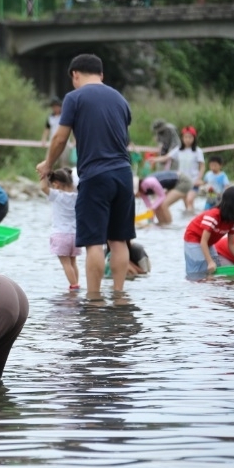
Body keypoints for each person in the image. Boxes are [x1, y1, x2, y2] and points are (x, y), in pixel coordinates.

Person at [36, 54, 135, 298]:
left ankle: (93, 299)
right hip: (124, 174)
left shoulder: (74, 98)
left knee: (94, 243)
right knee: (119, 240)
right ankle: (120, 296)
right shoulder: (120, 99)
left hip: (96, 176)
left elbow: (60, 137)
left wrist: (48, 164)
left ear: (75, 75)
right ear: (101, 75)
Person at [183, 185, 234, 277]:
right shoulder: (213, 216)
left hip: (208, 242)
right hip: (194, 238)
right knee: (200, 269)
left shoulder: (232, 221)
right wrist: (209, 262)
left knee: (216, 267)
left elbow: (231, 244)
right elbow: (203, 241)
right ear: (232, 204)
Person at [41, 169, 81, 290]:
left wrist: (43, 173)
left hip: (61, 235)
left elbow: (43, 187)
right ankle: (76, 285)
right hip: (75, 235)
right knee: (73, 262)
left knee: (65, 263)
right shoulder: (77, 196)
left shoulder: (56, 195)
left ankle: (74, 286)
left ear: (57, 183)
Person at [152, 126, 204, 213]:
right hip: (182, 181)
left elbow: (202, 166)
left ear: (194, 138)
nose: (187, 139)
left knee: (189, 200)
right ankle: (188, 219)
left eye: (190, 137)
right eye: (185, 137)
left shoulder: (198, 151)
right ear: (182, 138)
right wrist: (155, 159)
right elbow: (166, 157)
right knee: (186, 203)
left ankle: (190, 219)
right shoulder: (178, 150)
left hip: (194, 180)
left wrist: (199, 179)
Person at [40, 98, 72, 167]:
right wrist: (44, 139)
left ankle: (64, 177)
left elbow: (71, 128)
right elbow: (47, 129)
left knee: (64, 163)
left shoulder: (64, 116)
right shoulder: (50, 117)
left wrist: (74, 140)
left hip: (64, 142)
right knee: (48, 162)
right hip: (53, 142)